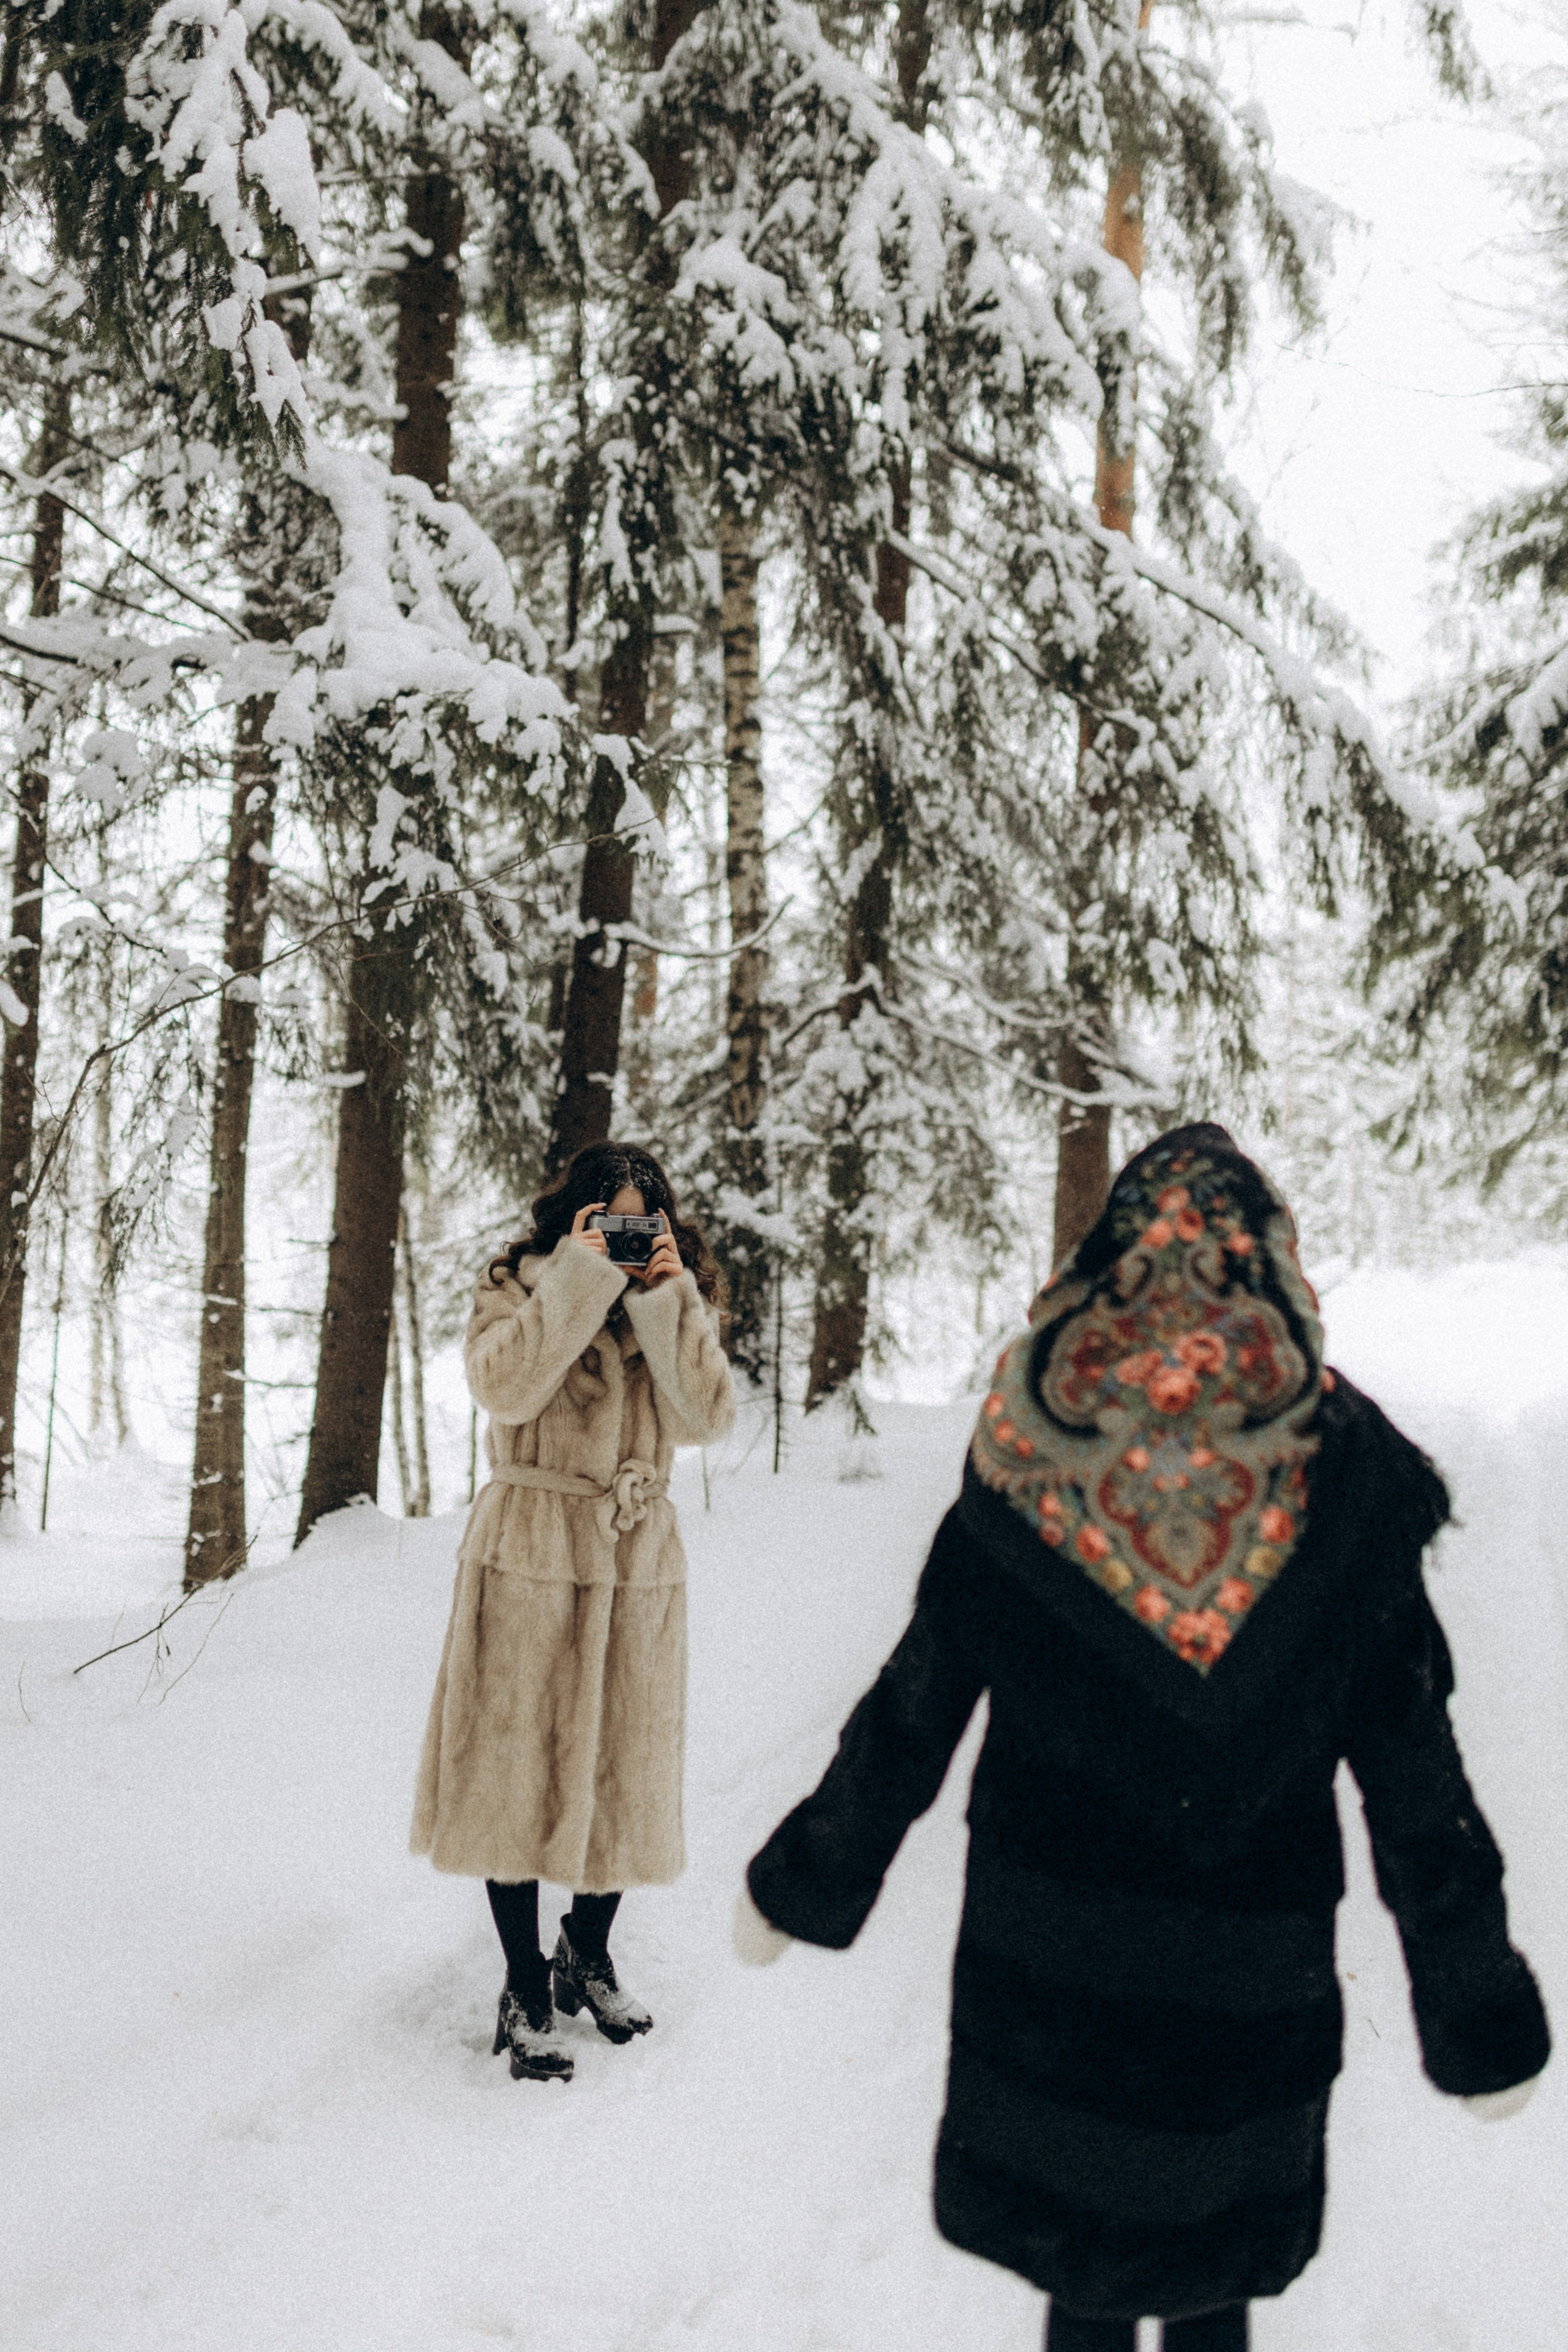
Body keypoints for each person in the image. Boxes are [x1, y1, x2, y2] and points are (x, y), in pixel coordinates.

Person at [734, 1125, 1549, 2347]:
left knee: (1084, 2271)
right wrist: (1472, 2001)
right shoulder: (1342, 1475)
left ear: (1104, 1260)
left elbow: (914, 1706)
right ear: (1265, 1262)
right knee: (1211, 2273)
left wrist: (810, 1876)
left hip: (1052, 1981)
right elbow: (1413, 1780)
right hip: (1244, 1987)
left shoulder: (1028, 1449)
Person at [412, 1140, 734, 2082]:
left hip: (635, 1557)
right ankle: (520, 1985)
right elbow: (502, 1385)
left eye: (646, 1218)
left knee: (623, 1763)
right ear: (575, 1217)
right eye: (611, 1217)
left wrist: (670, 1303)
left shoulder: (672, 1302)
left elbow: (709, 1419)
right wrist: (580, 1280)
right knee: (512, 1763)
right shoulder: (519, 1285)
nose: (629, 1235)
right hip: (531, 1548)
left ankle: (583, 1952)